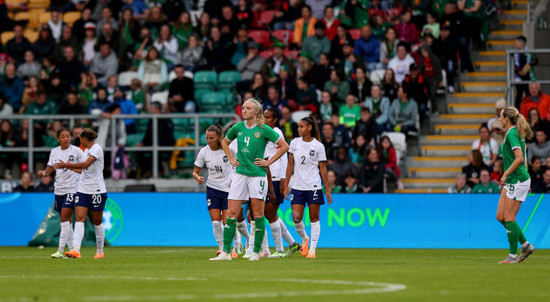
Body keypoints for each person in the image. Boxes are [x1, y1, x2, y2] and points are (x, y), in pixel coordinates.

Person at [210, 99, 289, 261]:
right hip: (240, 174)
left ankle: (256, 252)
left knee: (258, 214)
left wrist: (269, 162)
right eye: (243, 108)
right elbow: (224, 142)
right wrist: (231, 159)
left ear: (256, 111)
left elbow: (285, 146)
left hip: (257, 175)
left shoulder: (264, 129)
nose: (244, 110)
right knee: (232, 213)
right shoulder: (238, 128)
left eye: (248, 108)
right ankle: (225, 252)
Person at [54, 128, 107, 259]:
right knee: (79, 218)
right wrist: (67, 167)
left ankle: (100, 251)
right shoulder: (86, 151)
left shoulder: (96, 149)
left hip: (96, 190)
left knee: (97, 221)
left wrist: (68, 165)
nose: (79, 141)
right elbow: (82, 170)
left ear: (85, 138)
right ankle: (76, 250)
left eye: (80, 138)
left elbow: (85, 164)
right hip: (82, 189)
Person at [284, 116, 332, 259]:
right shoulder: (294, 143)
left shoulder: (318, 146)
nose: (298, 129)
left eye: (301, 126)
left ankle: (312, 250)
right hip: (297, 186)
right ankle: (305, 238)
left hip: (314, 186)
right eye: (298, 127)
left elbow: (323, 169)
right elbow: (290, 165)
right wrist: (286, 185)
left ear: (309, 128)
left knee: (314, 217)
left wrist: (327, 189)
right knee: (296, 217)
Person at [495, 106, 535, 263]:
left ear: (507, 119)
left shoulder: (512, 133)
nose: (499, 119)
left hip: (516, 179)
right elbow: (523, 156)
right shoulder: (515, 132)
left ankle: (512, 256)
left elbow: (519, 158)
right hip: (516, 179)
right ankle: (525, 245)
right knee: (500, 217)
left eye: (501, 116)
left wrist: (505, 174)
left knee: (509, 218)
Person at [37, 128, 84, 258]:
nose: (66, 138)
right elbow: (50, 169)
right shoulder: (54, 152)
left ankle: (60, 251)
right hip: (59, 189)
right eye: (63, 136)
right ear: (58, 139)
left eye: (68, 136)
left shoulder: (76, 151)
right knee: (66, 220)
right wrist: (44, 173)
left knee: (64, 216)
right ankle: (74, 250)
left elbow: (85, 168)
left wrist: (69, 166)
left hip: (73, 188)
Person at [263, 109, 301, 258]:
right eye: (264, 117)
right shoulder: (264, 132)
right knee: (270, 214)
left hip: (276, 179)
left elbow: (284, 159)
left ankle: (279, 250)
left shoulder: (277, 133)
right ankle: (291, 244)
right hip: (266, 177)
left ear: (275, 120)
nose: (265, 119)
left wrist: (284, 183)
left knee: (270, 213)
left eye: (268, 117)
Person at [193, 125, 234, 256]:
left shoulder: (228, 149)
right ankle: (222, 248)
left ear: (218, 138)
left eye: (212, 138)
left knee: (227, 222)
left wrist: (236, 178)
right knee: (216, 222)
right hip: (212, 188)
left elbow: (239, 164)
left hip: (228, 189)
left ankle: (234, 245)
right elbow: (195, 171)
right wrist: (197, 177)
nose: (209, 140)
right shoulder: (204, 152)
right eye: (207, 138)